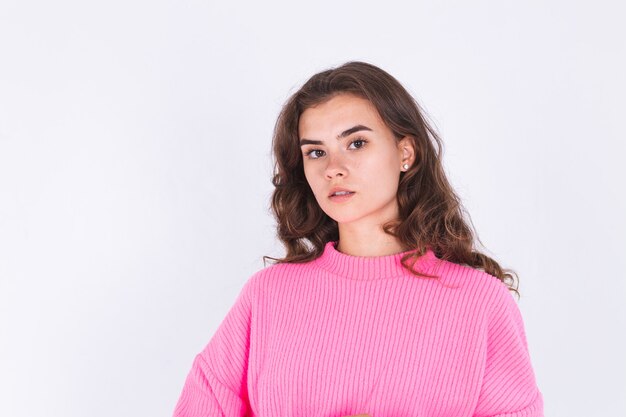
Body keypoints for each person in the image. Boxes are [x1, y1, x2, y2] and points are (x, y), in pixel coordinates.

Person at [172, 61, 544, 417]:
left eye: (356, 143)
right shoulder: (266, 295)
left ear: (406, 153)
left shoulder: (481, 302)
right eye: (316, 152)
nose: (334, 168)